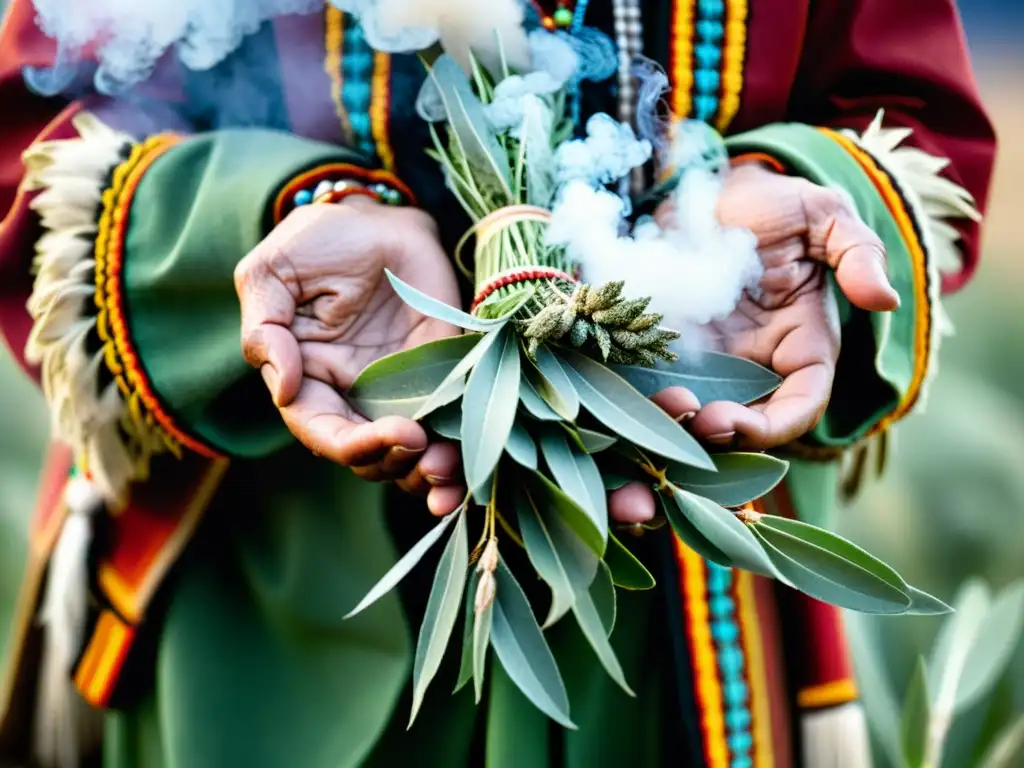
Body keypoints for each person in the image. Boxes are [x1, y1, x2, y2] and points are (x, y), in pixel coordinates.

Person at [0, 0, 994, 766]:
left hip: (695, 533)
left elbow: (910, 108)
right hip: (281, 576)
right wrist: (271, 221)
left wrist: (757, 231)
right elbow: (45, 123)